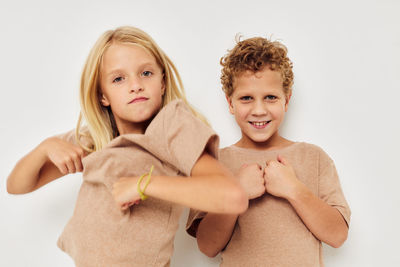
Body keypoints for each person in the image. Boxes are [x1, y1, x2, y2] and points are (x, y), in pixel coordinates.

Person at [7, 26, 248, 267]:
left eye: (146, 73)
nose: (135, 85)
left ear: (162, 82)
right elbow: (16, 185)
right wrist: (44, 148)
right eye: (119, 78)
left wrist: (144, 184)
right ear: (103, 96)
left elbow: (232, 197)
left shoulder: (171, 127)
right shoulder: (97, 140)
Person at [187, 36, 351, 267]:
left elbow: (337, 236)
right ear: (230, 103)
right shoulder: (213, 164)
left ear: (286, 101)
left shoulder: (314, 158)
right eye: (246, 98)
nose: (259, 110)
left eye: (270, 97)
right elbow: (207, 246)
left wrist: (294, 189)